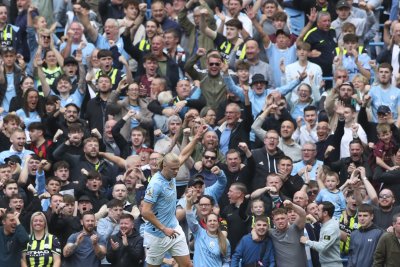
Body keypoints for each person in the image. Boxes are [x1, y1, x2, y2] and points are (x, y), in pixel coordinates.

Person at [185, 187, 231, 266]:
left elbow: (227, 261)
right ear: (205, 223)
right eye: (210, 221)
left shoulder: (225, 241)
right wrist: (189, 204)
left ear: (218, 223)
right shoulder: (199, 232)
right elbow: (190, 220)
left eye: (214, 221)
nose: (212, 223)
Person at [300, 201, 343, 267]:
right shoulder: (325, 224)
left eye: (318, 210)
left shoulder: (330, 228)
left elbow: (322, 247)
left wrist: (307, 241)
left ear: (325, 213)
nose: (316, 212)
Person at [269, 200, 307, 267]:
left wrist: (292, 205)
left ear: (287, 218)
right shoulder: (271, 233)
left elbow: (303, 214)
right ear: (273, 222)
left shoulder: (296, 228)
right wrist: (253, 232)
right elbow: (258, 228)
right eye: (277, 219)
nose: (280, 221)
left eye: (282, 218)